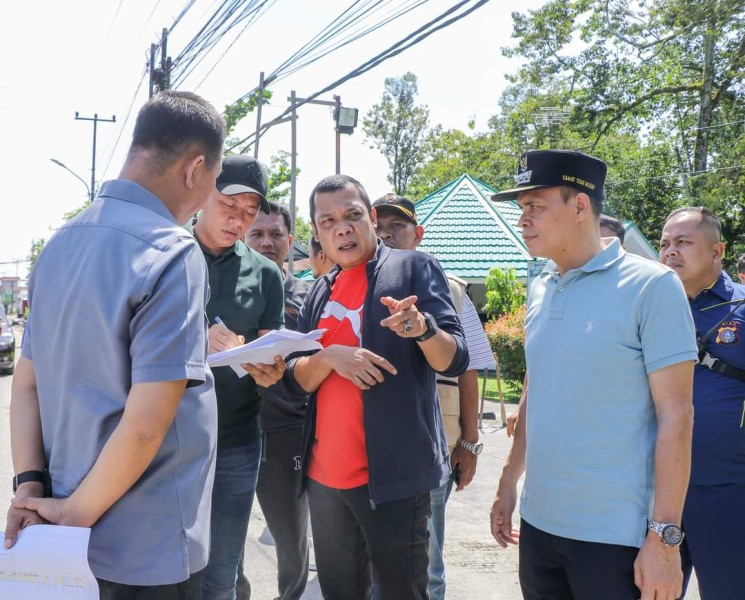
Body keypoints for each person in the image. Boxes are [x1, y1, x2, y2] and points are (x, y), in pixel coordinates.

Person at [5, 91, 225, 598]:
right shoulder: (172, 251)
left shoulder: (60, 243)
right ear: (194, 169)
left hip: (62, 542)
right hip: (146, 547)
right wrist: (72, 515)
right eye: (213, 182)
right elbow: (146, 425)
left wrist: (31, 486)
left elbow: (27, 384)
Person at [489, 149, 697, 600]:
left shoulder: (652, 286)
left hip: (615, 538)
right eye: (521, 208)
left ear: (580, 206)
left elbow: (677, 416)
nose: (523, 220)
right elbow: (536, 389)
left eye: (535, 206)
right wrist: (508, 483)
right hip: (540, 527)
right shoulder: (541, 285)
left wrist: (665, 540)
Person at [283, 174, 469, 599]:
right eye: (328, 222)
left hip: (393, 483)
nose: (342, 229)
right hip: (324, 481)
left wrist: (422, 329)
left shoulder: (413, 268)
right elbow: (296, 378)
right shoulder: (318, 292)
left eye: (351, 215)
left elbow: (455, 358)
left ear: (370, 217)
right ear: (316, 232)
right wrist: (330, 357)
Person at [372, 192, 495, 600]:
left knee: (427, 562)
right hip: (369, 444)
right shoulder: (357, 283)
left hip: (433, 445)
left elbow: (470, 366)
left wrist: (469, 442)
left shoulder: (451, 290)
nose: (386, 235)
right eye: (379, 227)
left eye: (397, 226)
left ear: (418, 233)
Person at [192, 154, 287, 600]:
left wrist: (269, 369)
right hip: (167, 438)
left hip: (236, 441)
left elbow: (271, 351)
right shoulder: (167, 253)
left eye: (249, 212)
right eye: (229, 205)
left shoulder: (265, 274)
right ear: (203, 193)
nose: (238, 220)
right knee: (165, 571)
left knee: (221, 576)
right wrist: (197, 339)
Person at [659, 207, 745, 600]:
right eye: (664, 243)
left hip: (725, 490)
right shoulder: (648, 306)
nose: (670, 251)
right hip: (655, 488)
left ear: (717, 251)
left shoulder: (740, 308)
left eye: (683, 242)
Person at [245, 202, 311, 600]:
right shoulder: (223, 294)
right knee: (225, 542)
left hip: (287, 435)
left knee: (291, 543)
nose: (266, 242)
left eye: (275, 234)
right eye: (257, 233)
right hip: (232, 431)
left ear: (290, 240)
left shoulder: (307, 296)